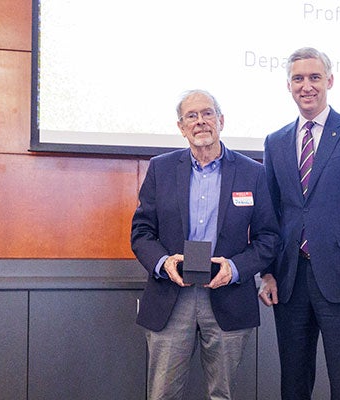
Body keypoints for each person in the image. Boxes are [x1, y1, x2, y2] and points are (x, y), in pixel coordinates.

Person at [259, 47, 340, 400]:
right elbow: (271, 215)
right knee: (294, 385)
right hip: (290, 282)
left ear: (329, 81)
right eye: (298, 78)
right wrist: (268, 273)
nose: (307, 86)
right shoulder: (275, 141)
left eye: (314, 77)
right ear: (288, 85)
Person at [131, 89, 279, 400]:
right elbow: (142, 232)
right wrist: (163, 263)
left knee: (221, 395)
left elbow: (269, 238)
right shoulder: (161, 168)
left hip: (228, 296)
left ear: (221, 121)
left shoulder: (253, 172)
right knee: (162, 395)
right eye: (191, 116)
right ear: (181, 127)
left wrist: (236, 268)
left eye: (207, 113)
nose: (201, 121)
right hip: (172, 297)